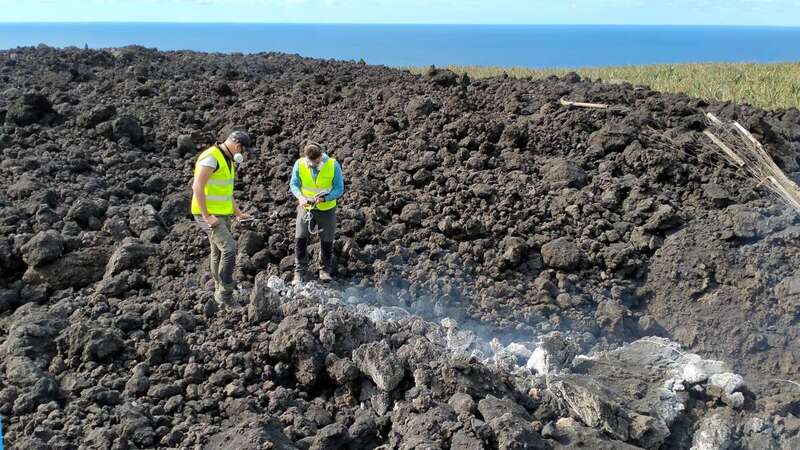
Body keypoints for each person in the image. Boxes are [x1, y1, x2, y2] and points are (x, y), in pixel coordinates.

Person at [191, 130, 253, 306]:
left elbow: (226, 192)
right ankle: (225, 294)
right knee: (229, 249)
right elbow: (197, 187)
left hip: (222, 213)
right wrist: (206, 216)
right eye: (243, 150)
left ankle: (219, 290)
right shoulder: (211, 157)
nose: (243, 154)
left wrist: (238, 213)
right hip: (208, 214)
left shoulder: (228, 160)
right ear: (238, 146)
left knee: (218, 251)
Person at [290, 142, 345, 285]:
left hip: (326, 208)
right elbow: (294, 184)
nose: (313, 164)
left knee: (327, 238)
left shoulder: (333, 165)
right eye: (311, 162)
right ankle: (299, 271)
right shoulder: (300, 164)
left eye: (316, 161)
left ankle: (324, 269)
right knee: (300, 236)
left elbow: (339, 189)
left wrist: (325, 198)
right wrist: (300, 197)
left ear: (321, 156)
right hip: (306, 207)